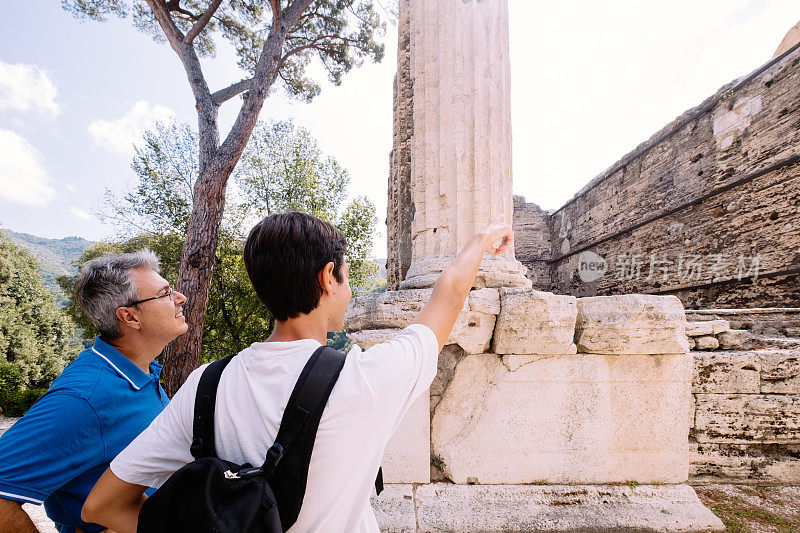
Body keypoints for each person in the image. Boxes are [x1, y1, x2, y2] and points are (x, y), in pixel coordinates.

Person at [82, 212, 515, 533]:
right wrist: (479, 242)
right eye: (346, 277)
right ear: (328, 277)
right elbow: (447, 298)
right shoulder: (368, 378)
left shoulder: (205, 384)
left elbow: (100, 506)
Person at [0, 251, 188, 533]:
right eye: (165, 293)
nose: (180, 297)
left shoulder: (140, 370)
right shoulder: (86, 396)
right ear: (130, 317)